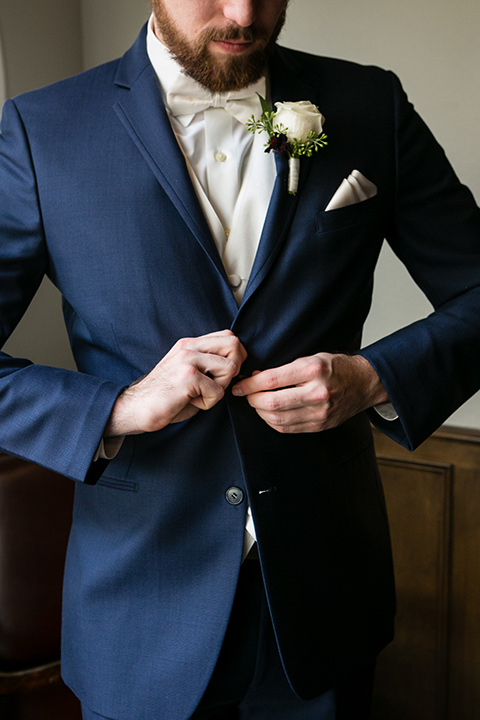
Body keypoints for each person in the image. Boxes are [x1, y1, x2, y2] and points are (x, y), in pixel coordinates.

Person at [1, 0, 479, 718]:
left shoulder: (368, 103)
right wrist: (118, 408)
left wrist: (372, 378)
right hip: (138, 610)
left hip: (325, 604)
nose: (242, 13)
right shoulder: (41, 128)